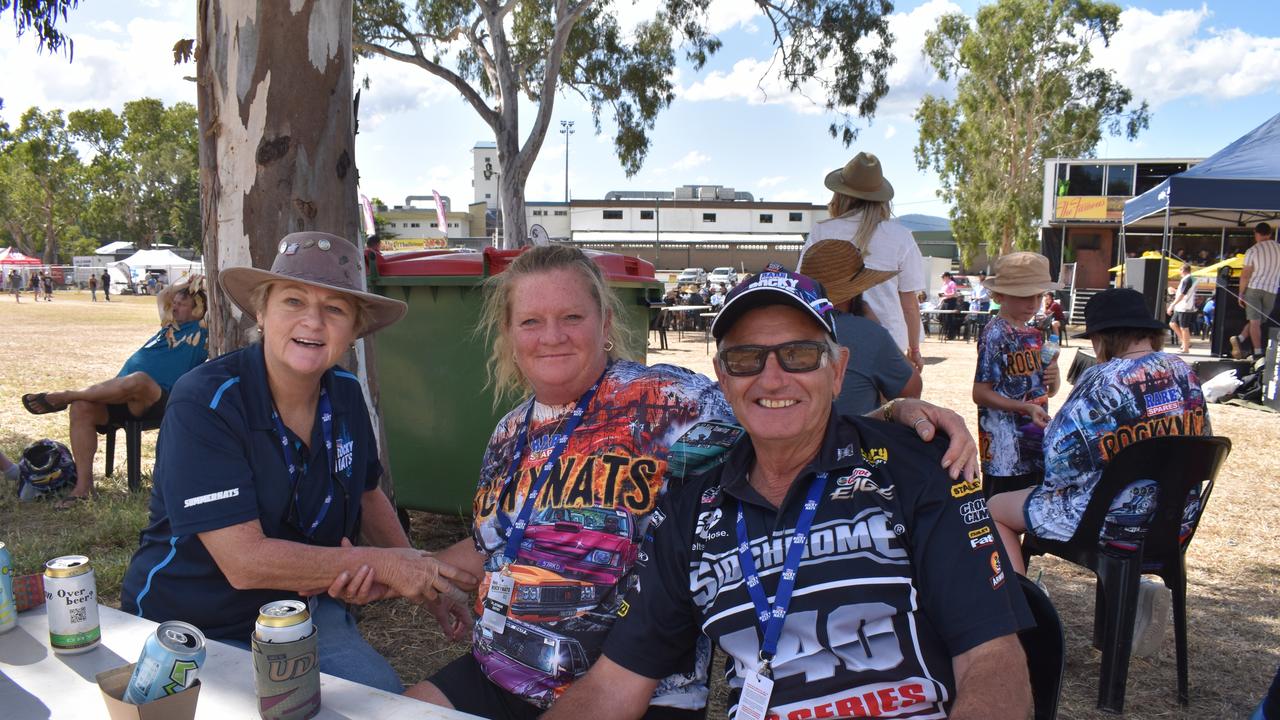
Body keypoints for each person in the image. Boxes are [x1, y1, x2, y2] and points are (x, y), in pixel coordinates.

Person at [403, 246, 980, 718]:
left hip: (638, 684)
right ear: (509, 334)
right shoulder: (509, 433)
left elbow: (780, 415)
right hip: (501, 670)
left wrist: (896, 418)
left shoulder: (669, 402)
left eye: (571, 317)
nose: (551, 335)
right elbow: (495, 543)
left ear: (606, 324)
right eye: (531, 321)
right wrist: (423, 574)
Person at [544, 269, 1033, 720]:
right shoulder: (691, 510)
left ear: (837, 371)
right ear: (722, 376)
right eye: (745, 358)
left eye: (798, 355)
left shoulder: (918, 470)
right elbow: (615, 684)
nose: (772, 378)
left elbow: (992, 658)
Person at [119, 232, 474, 692]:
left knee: (378, 703)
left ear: (355, 330)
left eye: (335, 309)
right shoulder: (206, 399)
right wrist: (386, 566)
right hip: (193, 622)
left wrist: (426, 585)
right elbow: (244, 562)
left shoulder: (345, 391)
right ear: (262, 313)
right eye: (293, 301)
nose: (313, 320)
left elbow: (367, 493)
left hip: (302, 612)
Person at [988, 288, 1211, 656]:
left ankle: (1022, 623)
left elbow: (1059, 466)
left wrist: (1051, 433)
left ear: (1102, 336)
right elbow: (1201, 443)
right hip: (1172, 526)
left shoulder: (1102, 379)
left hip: (1107, 526)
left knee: (996, 509)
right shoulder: (1185, 373)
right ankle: (1134, 593)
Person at [21, 275, 212, 507]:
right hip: (121, 394)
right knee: (82, 407)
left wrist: (202, 288)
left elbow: (211, 305)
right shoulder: (168, 325)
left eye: (183, 304)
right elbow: (164, 295)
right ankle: (84, 487)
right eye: (177, 303)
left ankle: (68, 395)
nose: (176, 307)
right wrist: (184, 285)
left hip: (158, 397)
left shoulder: (202, 330)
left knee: (139, 380)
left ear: (198, 311)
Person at [805, 152, 927, 370]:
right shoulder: (901, 236)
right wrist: (914, 349)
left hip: (833, 339)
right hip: (889, 343)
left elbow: (806, 287)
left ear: (840, 194)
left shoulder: (822, 231)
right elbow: (910, 305)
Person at [973, 252, 1062, 498]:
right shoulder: (995, 334)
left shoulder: (1034, 334)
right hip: (1004, 449)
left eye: (1038, 295)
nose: (1033, 304)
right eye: (1024, 296)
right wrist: (1024, 408)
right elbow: (980, 393)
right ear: (1000, 295)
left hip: (1034, 441)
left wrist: (1053, 376)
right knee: (1000, 514)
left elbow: (1045, 390)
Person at [799, 238, 921, 415]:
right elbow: (912, 391)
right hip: (851, 439)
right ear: (855, 292)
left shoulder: (785, 327)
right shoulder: (868, 334)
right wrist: (874, 324)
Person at [1231, 222, 1280, 360]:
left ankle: (1257, 352)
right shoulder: (1279, 248)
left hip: (1254, 287)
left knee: (1255, 321)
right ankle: (1240, 339)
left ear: (1256, 234)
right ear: (1270, 234)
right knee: (1259, 321)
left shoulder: (1252, 250)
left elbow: (1245, 274)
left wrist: (1241, 293)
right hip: (1272, 289)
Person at [1167, 263, 1199, 354]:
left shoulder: (1187, 279)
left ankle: (1186, 347)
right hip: (1181, 306)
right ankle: (1185, 343)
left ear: (1183, 270)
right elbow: (1184, 293)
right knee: (1172, 323)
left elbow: (1183, 294)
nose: (1179, 272)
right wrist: (1175, 291)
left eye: (1180, 270)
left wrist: (1172, 305)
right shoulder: (1188, 279)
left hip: (1185, 306)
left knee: (1184, 327)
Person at [938, 271, 961, 340]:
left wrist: (945, 295)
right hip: (945, 301)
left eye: (943, 276)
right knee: (941, 317)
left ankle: (950, 335)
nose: (942, 278)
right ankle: (945, 332)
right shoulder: (944, 283)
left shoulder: (952, 283)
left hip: (951, 301)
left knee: (949, 318)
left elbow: (954, 294)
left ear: (947, 276)